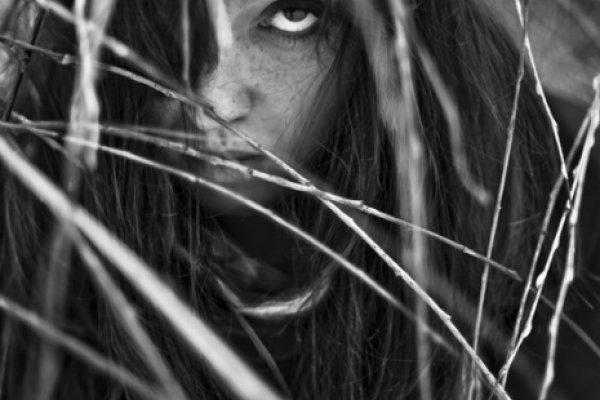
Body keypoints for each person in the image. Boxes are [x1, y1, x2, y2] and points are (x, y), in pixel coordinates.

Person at [0, 0, 562, 399]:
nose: (216, 100)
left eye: (293, 15)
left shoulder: (560, 237)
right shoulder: (27, 240)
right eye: (174, 14)